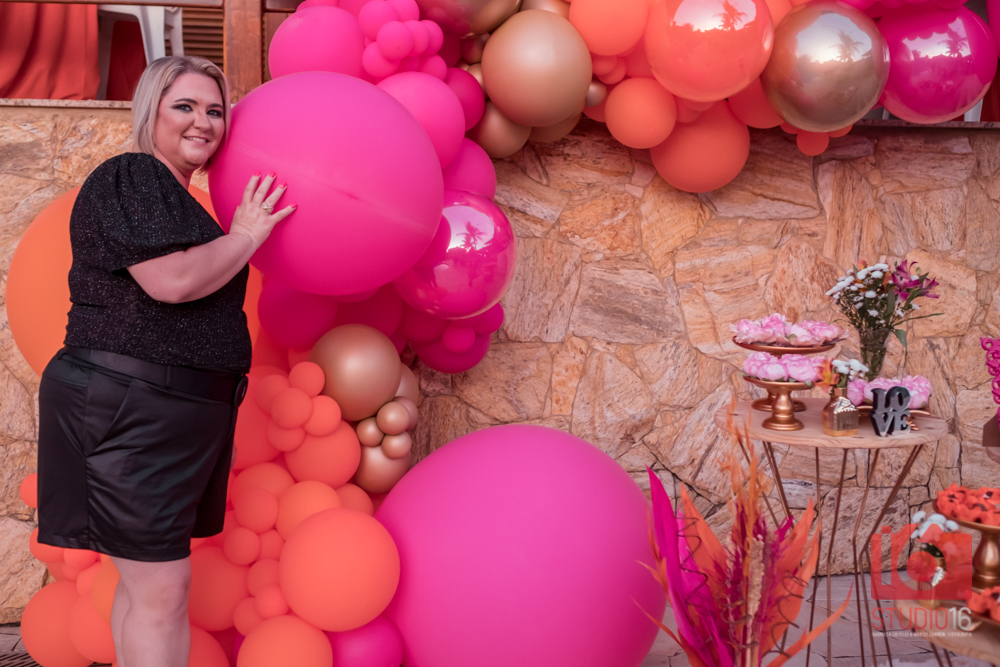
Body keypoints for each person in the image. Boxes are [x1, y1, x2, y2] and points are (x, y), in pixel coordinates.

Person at [35, 55, 295, 667]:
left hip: (168, 413)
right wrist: (246, 236)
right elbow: (172, 282)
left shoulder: (179, 198)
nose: (203, 122)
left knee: (144, 586)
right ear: (150, 111)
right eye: (185, 106)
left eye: (215, 111)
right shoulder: (132, 174)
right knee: (163, 590)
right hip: (132, 408)